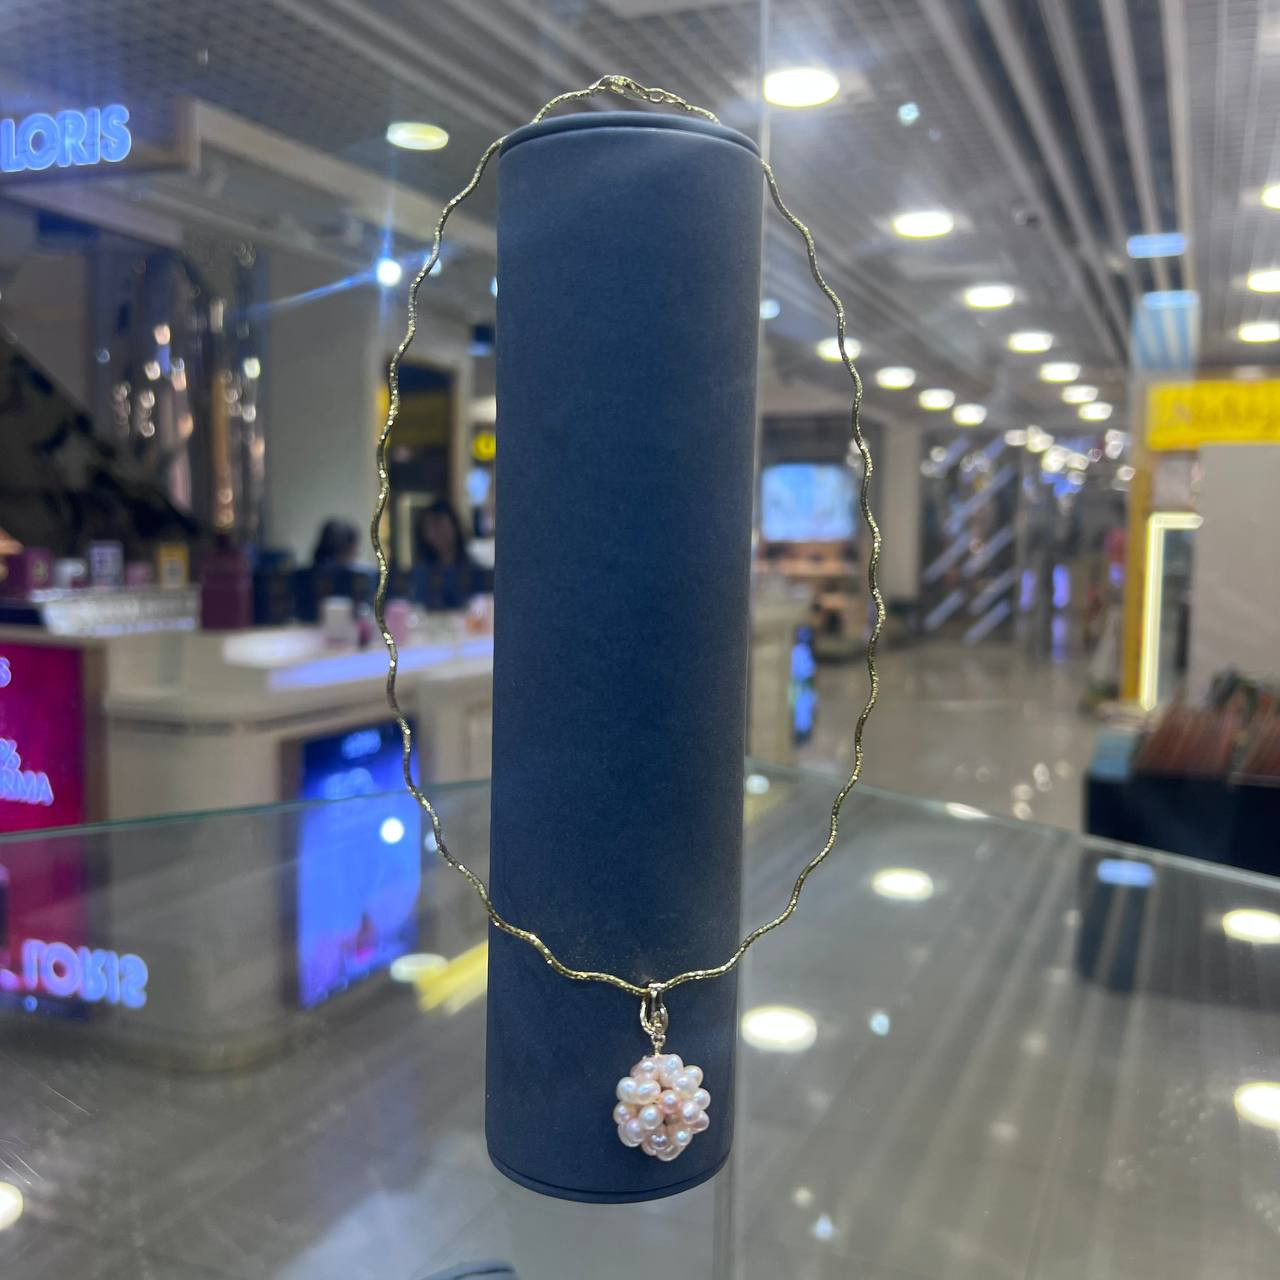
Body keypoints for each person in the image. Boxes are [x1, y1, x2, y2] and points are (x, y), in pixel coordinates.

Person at [413, 498, 482, 610]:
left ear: (455, 526)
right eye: (430, 528)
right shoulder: (422, 571)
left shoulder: (473, 569)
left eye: (441, 525)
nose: (437, 533)